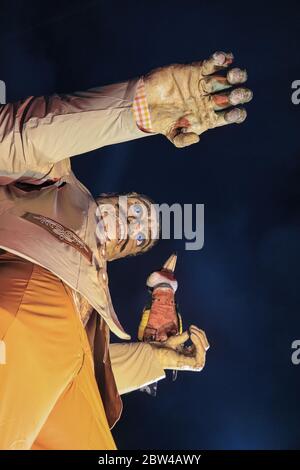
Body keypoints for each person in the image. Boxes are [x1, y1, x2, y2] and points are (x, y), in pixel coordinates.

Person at [0, 51, 252, 449]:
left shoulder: (96, 305)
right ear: (108, 199)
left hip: (69, 371)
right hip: (28, 291)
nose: (132, 225)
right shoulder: (59, 183)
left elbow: (86, 368)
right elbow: (20, 138)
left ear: (119, 252)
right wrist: (137, 107)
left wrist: (155, 359)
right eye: (134, 211)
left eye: (137, 236)